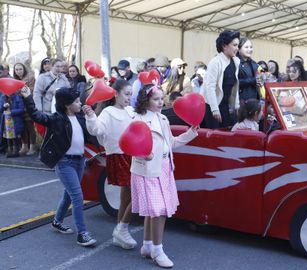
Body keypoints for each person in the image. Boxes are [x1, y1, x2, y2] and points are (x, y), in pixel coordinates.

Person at [20, 86, 98, 247]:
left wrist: (92, 115)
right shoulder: (56, 119)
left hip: (80, 161)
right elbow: (35, 115)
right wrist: (28, 97)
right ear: (66, 105)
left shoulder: (81, 117)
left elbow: (93, 134)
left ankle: (57, 221)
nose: (80, 103)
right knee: (77, 196)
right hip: (64, 163)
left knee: (69, 195)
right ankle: (82, 234)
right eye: (76, 101)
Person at [132, 84, 198, 268]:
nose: (161, 102)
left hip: (164, 167)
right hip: (147, 169)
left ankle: (147, 246)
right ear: (146, 100)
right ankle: (157, 250)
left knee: (154, 210)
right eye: (156, 99)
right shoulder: (139, 120)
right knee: (158, 210)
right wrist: (142, 154)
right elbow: (130, 145)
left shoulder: (162, 118)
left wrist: (191, 132)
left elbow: (171, 143)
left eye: (162, 98)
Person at [83, 79, 137, 249]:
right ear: (116, 94)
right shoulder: (108, 112)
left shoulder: (130, 110)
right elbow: (96, 130)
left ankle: (120, 230)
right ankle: (122, 229)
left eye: (131, 94)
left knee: (126, 197)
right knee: (137, 194)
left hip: (134, 156)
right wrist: (91, 116)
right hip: (119, 156)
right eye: (126, 94)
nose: (129, 98)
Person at [201, 30, 241, 129]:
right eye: (234, 45)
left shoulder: (236, 61)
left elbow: (235, 86)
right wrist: (214, 109)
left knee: (226, 133)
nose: (237, 48)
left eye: (238, 45)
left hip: (226, 105)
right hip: (212, 105)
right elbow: (210, 87)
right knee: (215, 135)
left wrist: (236, 105)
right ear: (224, 46)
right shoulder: (215, 62)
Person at [13, 63, 37, 155]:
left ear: (24, 69)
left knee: (30, 126)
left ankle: (33, 147)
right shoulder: (14, 79)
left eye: (20, 69)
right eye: (16, 69)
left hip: (28, 105)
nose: (18, 71)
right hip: (18, 106)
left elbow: (31, 91)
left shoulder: (30, 78)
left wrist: (19, 91)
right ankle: (24, 146)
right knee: (22, 126)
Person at [0, 90, 25, 157]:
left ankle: (15, 151)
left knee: (15, 136)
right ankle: (9, 150)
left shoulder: (17, 97)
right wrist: (4, 106)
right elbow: (0, 109)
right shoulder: (3, 97)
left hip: (15, 121)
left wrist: (11, 112)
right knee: (7, 136)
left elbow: (22, 109)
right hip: (6, 121)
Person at [237, 37, 260, 102]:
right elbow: (235, 82)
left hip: (254, 99)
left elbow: (257, 79)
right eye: (246, 47)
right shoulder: (235, 63)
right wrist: (252, 81)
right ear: (239, 49)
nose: (249, 49)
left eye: (251, 47)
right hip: (242, 100)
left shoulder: (254, 63)